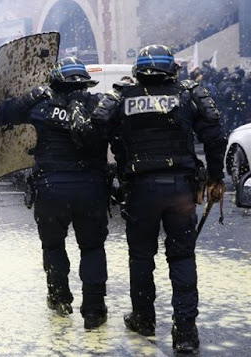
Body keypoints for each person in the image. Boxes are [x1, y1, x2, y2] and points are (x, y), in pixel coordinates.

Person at [91, 45, 227, 353]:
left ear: (138, 70)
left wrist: (120, 164)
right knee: (182, 257)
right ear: (173, 70)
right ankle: (185, 333)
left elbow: (97, 130)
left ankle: (143, 318)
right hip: (180, 189)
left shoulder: (122, 97)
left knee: (141, 258)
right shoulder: (188, 94)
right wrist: (217, 177)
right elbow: (216, 136)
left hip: (141, 190)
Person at [0, 57, 109, 329]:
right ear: (85, 82)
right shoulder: (99, 106)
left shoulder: (41, 108)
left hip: (52, 189)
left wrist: (32, 95)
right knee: (92, 248)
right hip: (91, 188)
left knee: (53, 245)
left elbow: (4, 114)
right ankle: (94, 309)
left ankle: (59, 297)